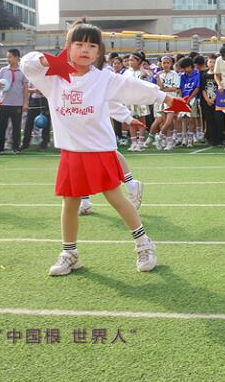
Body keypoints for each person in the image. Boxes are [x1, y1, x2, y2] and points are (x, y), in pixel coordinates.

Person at [22, 21, 180, 276]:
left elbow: (132, 88)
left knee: (115, 198)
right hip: (71, 150)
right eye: (79, 44)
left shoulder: (103, 78)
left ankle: (144, 243)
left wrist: (165, 97)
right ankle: (70, 253)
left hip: (99, 149)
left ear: (99, 51)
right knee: (70, 202)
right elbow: (27, 64)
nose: (85, 50)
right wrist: (44, 60)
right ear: (68, 47)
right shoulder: (52, 77)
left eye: (92, 46)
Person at [0, 48, 28, 154]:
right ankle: (0, 147)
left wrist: (25, 103)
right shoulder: (3, 70)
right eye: (7, 57)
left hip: (17, 103)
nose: (8, 59)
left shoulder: (23, 71)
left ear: (16, 57)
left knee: (16, 127)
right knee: (1, 126)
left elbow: (25, 88)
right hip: (3, 102)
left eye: (10, 57)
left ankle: (16, 147)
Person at [148, 55, 179, 150]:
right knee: (164, 121)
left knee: (169, 121)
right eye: (164, 63)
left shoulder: (174, 74)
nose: (166, 65)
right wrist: (158, 76)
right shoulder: (158, 74)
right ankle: (168, 142)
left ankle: (160, 136)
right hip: (162, 99)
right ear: (161, 64)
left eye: (167, 63)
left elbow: (175, 88)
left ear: (171, 64)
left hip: (172, 99)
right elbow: (159, 88)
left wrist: (165, 89)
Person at [177, 57, 201, 148]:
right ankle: (184, 137)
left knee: (191, 118)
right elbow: (180, 88)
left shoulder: (197, 75)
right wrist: (181, 98)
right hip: (183, 99)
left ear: (191, 66)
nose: (185, 70)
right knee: (182, 118)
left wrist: (189, 98)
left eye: (186, 68)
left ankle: (190, 138)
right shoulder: (182, 76)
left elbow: (197, 88)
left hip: (192, 99)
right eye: (183, 68)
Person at [21, 80, 51, 151]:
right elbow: (26, 89)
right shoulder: (31, 78)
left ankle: (44, 144)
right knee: (28, 124)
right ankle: (25, 144)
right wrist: (34, 90)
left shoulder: (47, 78)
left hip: (45, 101)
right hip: (33, 101)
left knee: (46, 124)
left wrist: (44, 91)